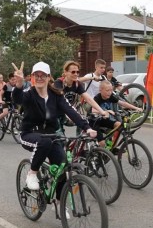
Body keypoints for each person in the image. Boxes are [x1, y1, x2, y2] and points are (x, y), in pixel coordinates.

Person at [12, 61, 97, 197]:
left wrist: (87, 128)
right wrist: (19, 84)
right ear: (33, 77)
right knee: (43, 142)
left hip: (51, 135)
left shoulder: (56, 95)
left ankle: (59, 202)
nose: (39, 78)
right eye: (36, 75)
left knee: (63, 165)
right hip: (30, 134)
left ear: (48, 77)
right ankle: (32, 173)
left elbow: (71, 111)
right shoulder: (29, 94)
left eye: (43, 75)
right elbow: (18, 100)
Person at [53, 61, 109, 131]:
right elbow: (63, 102)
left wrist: (102, 111)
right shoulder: (58, 83)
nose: (76, 74)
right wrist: (70, 115)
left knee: (84, 124)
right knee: (60, 138)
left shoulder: (76, 84)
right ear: (65, 72)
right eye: (73, 72)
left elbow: (88, 98)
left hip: (68, 112)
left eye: (77, 72)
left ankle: (78, 141)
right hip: (56, 114)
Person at [89, 80, 142, 147]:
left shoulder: (110, 96)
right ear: (100, 90)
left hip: (103, 120)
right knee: (102, 143)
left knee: (118, 125)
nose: (110, 92)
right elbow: (93, 111)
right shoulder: (97, 98)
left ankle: (112, 145)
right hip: (94, 121)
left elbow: (122, 103)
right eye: (107, 90)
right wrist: (107, 111)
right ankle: (101, 153)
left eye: (111, 90)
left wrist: (135, 108)